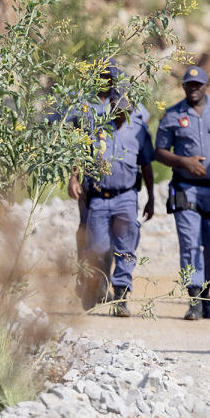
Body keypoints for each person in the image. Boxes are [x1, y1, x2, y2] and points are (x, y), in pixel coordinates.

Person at [67, 66, 156, 318]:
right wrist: (74, 178)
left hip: (126, 197)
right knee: (96, 247)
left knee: (125, 248)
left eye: (126, 107)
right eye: (118, 106)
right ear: (112, 105)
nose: (122, 111)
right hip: (98, 197)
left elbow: (146, 165)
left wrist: (151, 197)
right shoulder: (96, 126)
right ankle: (95, 286)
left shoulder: (138, 130)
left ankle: (121, 297)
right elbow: (81, 154)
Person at [154, 65, 210, 320]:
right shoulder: (171, 115)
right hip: (186, 189)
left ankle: (206, 291)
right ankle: (193, 298)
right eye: (189, 85)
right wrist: (184, 162)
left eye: (198, 85)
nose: (193, 89)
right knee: (190, 243)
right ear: (183, 87)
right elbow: (159, 151)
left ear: (206, 86)